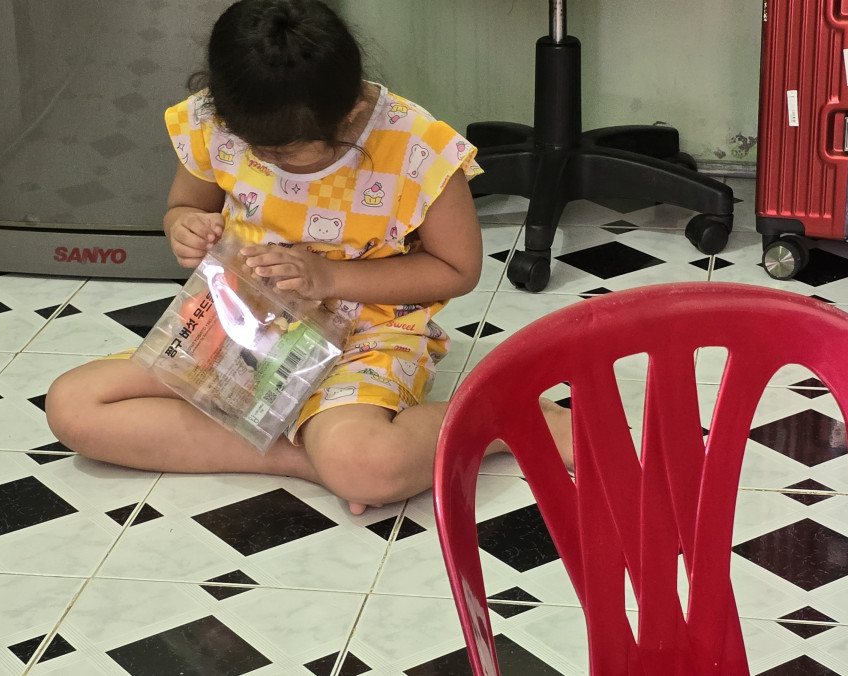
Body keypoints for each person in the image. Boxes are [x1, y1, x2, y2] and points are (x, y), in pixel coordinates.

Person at [45, 0, 571, 515]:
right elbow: (186, 206)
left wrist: (329, 277)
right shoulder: (217, 120)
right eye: (251, 145)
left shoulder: (417, 147)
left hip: (367, 334)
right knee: (73, 406)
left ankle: (508, 417)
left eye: (283, 152)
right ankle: (312, 461)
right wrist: (184, 225)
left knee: (371, 464)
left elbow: (458, 270)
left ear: (351, 113)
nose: (262, 158)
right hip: (245, 327)